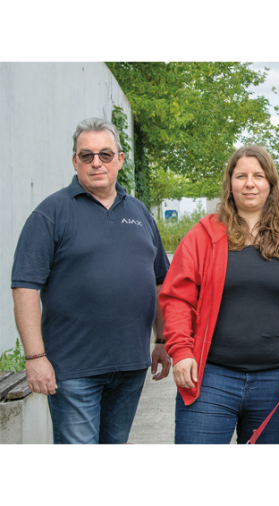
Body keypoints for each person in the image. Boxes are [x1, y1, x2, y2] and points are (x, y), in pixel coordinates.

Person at [11, 118, 171, 445]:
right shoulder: (51, 214)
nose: (96, 162)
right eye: (87, 155)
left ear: (120, 159)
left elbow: (159, 282)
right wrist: (35, 357)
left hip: (130, 365)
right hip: (73, 368)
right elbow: (25, 287)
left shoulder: (140, 213)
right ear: (75, 161)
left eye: (105, 154)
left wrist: (162, 340)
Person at [160, 145, 279, 445]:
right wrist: (181, 351)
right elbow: (178, 299)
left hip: (276, 380)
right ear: (230, 184)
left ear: (271, 184)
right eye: (241, 176)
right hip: (211, 379)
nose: (250, 183)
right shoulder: (203, 235)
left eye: (258, 176)